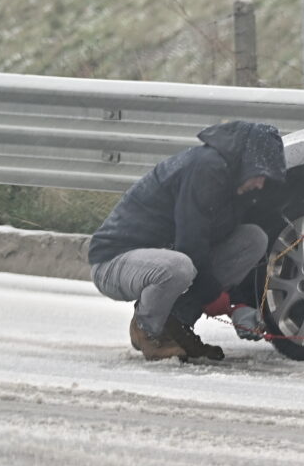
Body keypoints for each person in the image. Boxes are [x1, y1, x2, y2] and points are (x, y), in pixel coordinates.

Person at [88, 120, 286, 361]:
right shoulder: (206, 168)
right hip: (114, 261)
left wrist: (241, 304)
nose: (260, 183)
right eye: (260, 173)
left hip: (164, 257)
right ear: (246, 162)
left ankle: (175, 325)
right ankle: (146, 328)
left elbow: (213, 252)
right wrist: (226, 306)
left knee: (253, 239)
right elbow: (192, 245)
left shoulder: (236, 185)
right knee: (179, 267)